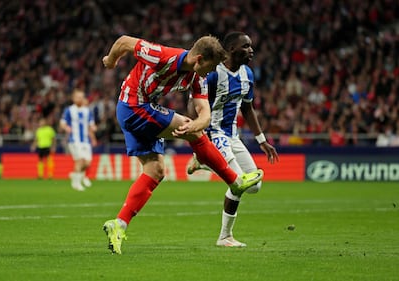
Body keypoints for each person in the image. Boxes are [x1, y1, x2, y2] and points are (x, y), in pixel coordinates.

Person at [101, 34, 263, 254]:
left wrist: (197, 124)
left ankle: (118, 225)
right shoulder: (162, 56)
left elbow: (205, 114)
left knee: (156, 170)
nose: (213, 71)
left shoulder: (197, 77)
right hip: (133, 107)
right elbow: (123, 41)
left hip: (143, 108)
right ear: (198, 59)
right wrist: (111, 60)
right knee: (193, 133)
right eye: (212, 66)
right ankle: (235, 181)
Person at [187, 32, 279, 247]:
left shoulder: (247, 74)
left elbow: (247, 108)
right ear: (230, 50)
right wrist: (197, 139)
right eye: (245, 46)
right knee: (238, 184)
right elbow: (195, 106)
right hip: (213, 133)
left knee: (254, 186)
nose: (251, 50)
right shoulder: (213, 74)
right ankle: (225, 237)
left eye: (251, 46)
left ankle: (206, 162)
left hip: (232, 136)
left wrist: (261, 140)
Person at [60, 89, 97, 191]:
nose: (80, 99)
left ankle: (75, 175)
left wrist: (93, 129)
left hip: (86, 141)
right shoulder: (69, 110)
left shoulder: (87, 111)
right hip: (74, 140)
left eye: (81, 97)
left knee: (87, 163)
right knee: (80, 161)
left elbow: (91, 124)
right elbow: (62, 122)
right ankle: (76, 183)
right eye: (78, 97)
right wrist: (66, 127)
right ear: (73, 98)